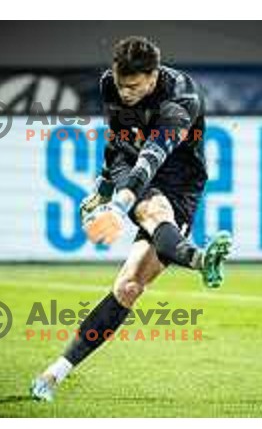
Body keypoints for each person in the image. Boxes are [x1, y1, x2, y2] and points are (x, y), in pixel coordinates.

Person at [31, 36, 232, 401]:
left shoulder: (182, 97)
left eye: (134, 86)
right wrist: (105, 185)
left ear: (154, 77)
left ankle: (198, 258)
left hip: (179, 180)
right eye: (121, 84)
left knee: (128, 287)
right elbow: (119, 137)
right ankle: (52, 376)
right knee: (154, 212)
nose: (125, 92)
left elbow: (153, 159)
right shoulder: (111, 83)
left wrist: (116, 206)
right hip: (130, 168)